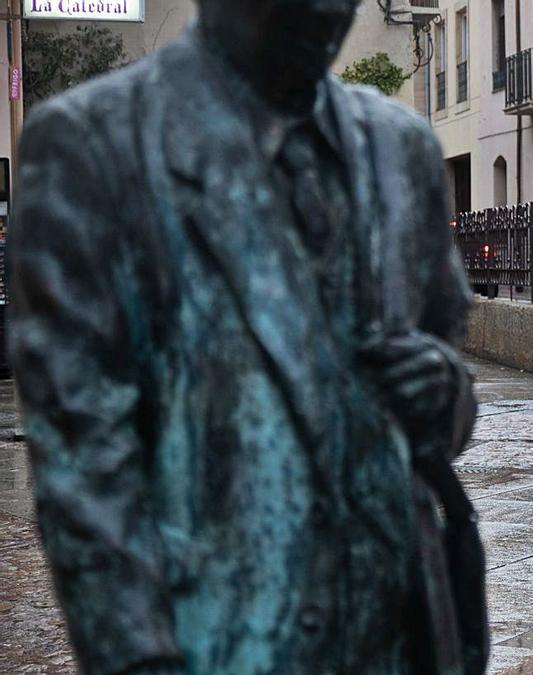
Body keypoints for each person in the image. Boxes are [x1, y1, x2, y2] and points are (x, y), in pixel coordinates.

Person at [7, 1, 487, 673]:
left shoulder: (401, 148)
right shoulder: (93, 147)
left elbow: (447, 385)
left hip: (404, 640)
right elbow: (85, 474)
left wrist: (443, 390)